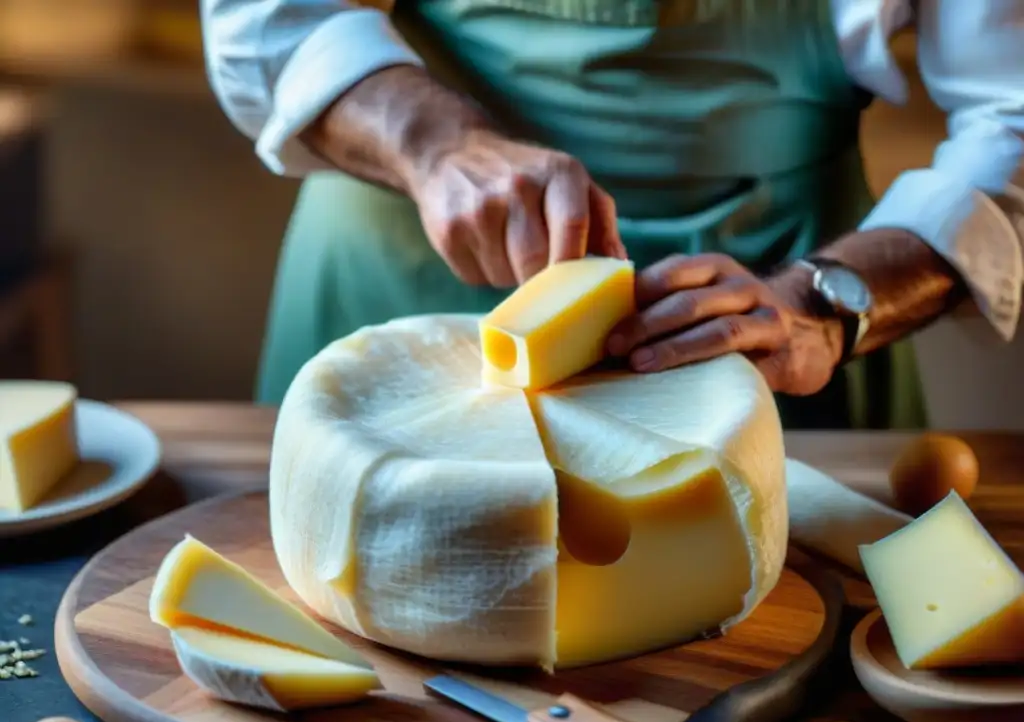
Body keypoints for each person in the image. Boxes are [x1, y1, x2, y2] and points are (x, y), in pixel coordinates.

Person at [201, 0, 1023, 429]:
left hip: (773, 319)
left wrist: (825, 304)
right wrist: (432, 143)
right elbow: (266, 13)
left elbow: (1012, 118)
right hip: (397, 284)